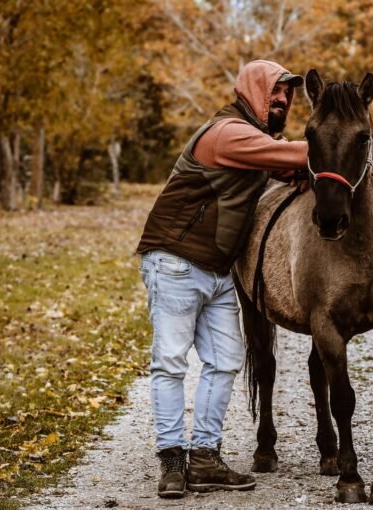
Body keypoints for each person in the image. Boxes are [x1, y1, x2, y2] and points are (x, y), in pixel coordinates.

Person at [135, 60, 308, 499]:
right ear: (253, 91)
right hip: (176, 260)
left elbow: (290, 167)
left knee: (226, 361)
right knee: (171, 363)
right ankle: (172, 463)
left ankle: (205, 459)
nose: (283, 102)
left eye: (288, 95)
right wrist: (368, 147)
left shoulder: (254, 141)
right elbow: (300, 154)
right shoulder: (227, 133)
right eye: (276, 93)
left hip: (216, 270)